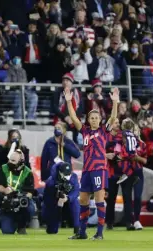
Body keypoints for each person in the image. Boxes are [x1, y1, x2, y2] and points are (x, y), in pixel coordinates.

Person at [64, 86, 119, 240]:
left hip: (99, 168)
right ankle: (82, 232)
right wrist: (69, 102)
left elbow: (113, 118)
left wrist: (114, 102)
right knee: (83, 199)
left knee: (100, 199)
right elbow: (74, 117)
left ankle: (99, 233)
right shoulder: (85, 131)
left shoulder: (103, 131)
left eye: (96, 118)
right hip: (87, 169)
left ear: (100, 119)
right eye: (91, 118)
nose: (94, 120)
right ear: (88, 120)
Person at [0, 150, 35, 234]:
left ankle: (22, 225)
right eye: (10, 159)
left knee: (30, 208)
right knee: (7, 231)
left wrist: (22, 197)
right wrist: (5, 190)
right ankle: (12, 222)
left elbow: (30, 192)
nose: (10, 162)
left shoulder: (27, 172)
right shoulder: (3, 168)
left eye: (13, 161)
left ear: (21, 162)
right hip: (7, 201)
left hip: (21, 200)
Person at [42, 161, 80, 234]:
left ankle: (77, 227)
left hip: (67, 202)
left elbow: (76, 191)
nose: (67, 176)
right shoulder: (51, 181)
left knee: (75, 202)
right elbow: (46, 199)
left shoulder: (73, 177)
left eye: (69, 174)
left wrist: (68, 198)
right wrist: (57, 199)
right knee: (52, 231)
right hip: (54, 204)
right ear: (60, 172)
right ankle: (52, 225)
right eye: (65, 174)